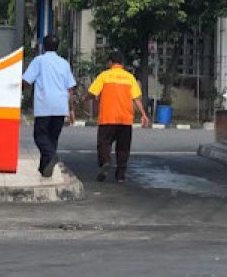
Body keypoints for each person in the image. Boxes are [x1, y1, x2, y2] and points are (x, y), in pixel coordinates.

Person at [86, 51, 150, 183]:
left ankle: (105, 162)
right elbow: (136, 98)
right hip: (125, 119)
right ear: (122, 64)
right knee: (123, 148)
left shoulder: (104, 75)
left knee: (103, 143)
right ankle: (120, 175)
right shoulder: (129, 78)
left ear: (110, 63)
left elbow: (92, 93)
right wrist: (143, 114)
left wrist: (83, 99)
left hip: (107, 118)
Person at [21, 34, 76, 177]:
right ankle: (45, 169)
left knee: (39, 135)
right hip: (60, 106)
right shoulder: (64, 63)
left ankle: (52, 156)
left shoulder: (39, 61)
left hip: (44, 105)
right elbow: (70, 88)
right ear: (57, 47)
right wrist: (71, 109)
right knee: (52, 138)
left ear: (43, 46)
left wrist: (17, 89)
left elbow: (26, 81)